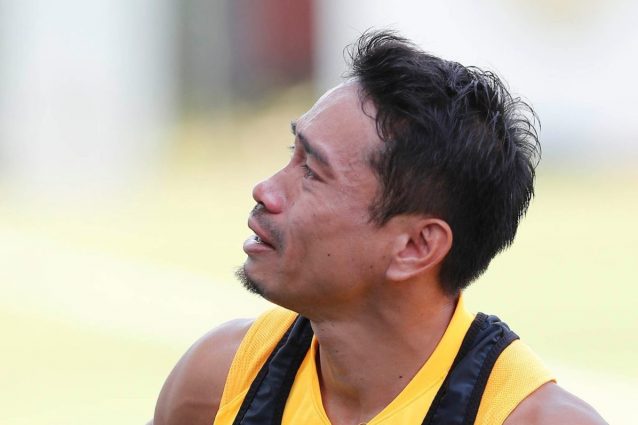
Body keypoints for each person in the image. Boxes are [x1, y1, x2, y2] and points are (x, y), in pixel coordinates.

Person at [150, 31, 606, 425]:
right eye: (293, 152)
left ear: (416, 246)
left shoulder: (530, 417)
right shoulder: (219, 380)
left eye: (312, 172)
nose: (265, 190)